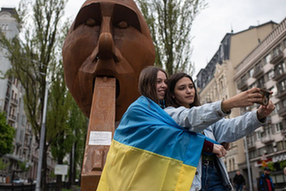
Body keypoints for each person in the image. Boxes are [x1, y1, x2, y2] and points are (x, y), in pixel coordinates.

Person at [97, 66, 227, 191]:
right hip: (129, 168)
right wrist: (208, 145)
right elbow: (165, 135)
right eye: (158, 82)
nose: (164, 85)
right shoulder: (138, 109)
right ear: (147, 84)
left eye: (165, 81)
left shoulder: (161, 110)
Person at [164, 72, 275, 191]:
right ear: (173, 94)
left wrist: (259, 115)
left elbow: (231, 127)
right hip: (190, 179)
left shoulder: (205, 116)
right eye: (182, 88)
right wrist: (230, 103)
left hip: (215, 175)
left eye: (191, 87)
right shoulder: (169, 113)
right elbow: (190, 118)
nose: (189, 91)